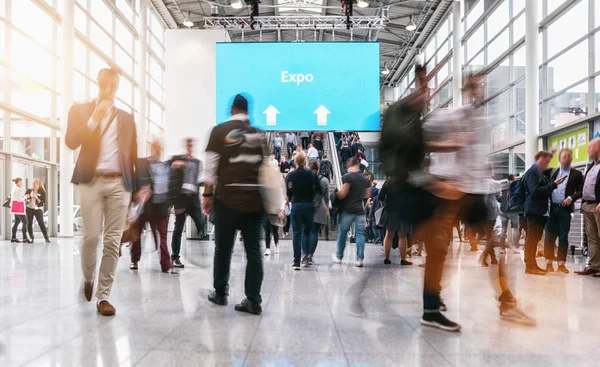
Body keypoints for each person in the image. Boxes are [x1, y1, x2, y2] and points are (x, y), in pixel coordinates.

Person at [65, 68, 138, 316]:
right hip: (91, 180)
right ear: (97, 82)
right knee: (90, 237)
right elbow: (71, 141)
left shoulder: (127, 118)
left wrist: (135, 190)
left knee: (111, 241)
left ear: (117, 87)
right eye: (105, 83)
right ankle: (88, 278)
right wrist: (94, 118)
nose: (108, 88)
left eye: (113, 85)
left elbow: (132, 157)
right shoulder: (80, 110)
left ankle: (104, 296)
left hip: (119, 183)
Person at [203, 94, 268, 315]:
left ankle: (220, 293)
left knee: (223, 249)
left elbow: (210, 168)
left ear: (232, 109)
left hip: (226, 199)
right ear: (247, 111)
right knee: (254, 252)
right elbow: (266, 169)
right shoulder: (259, 135)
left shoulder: (219, 131)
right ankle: (253, 300)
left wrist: (207, 196)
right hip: (254, 201)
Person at [129, 140, 172, 273]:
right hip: (144, 207)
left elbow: (168, 187)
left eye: (159, 147)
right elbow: (134, 180)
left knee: (163, 236)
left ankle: (165, 263)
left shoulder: (164, 166)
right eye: (155, 147)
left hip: (160, 208)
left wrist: (169, 205)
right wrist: (135, 197)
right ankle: (135, 260)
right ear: (151, 148)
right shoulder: (142, 163)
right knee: (136, 235)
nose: (157, 150)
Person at [521, 151, 566, 276]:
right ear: (540, 158)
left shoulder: (540, 173)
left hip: (540, 211)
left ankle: (533, 264)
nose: (548, 164)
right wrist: (554, 185)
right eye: (547, 161)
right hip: (533, 211)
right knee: (531, 239)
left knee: (534, 239)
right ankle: (529, 266)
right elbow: (535, 191)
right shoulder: (533, 172)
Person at [543, 149, 583, 274]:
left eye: (569, 156)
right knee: (549, 236)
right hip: (551, 208)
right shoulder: (551, 172)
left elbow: (581, 190)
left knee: (563, 236)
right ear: (559, 159)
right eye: (564, 156)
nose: (567, 158)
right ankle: (548, 262)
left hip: (565, 209)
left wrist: (571, 198)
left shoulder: (577, 174)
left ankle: (561, 264)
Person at [168, 138, 204, 269]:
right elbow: (170, 174)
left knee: (201, 223)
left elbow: (200, 179)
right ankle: (175, 256)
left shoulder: (198, 162)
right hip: (182, 198)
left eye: (192, 145)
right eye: (188, 145)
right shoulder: (178, 159)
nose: (190, 147)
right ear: (186, 146)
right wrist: (175, 165)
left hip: (193, 198)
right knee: (178, 227)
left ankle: (212, 253)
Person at [332, 157, 370, 267]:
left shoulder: (347, 177)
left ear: (350, 165)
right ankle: (359, 259)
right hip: (359, 210)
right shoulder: (364, 179)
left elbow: (343, 193)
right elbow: (367, 194)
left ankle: (339, 257)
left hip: (348, 210)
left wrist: (337, 194)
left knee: (342, 234)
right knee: (360, 235)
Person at [286, 152, 320, 269]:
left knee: (296, 234)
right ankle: (306, 256)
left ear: (295, 161)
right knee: (307, 232)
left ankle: (296, 261)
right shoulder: (311, 174)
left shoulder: (291, 176)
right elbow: (318, 190)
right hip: (309, 206)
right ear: (305, 161)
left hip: (296, 205)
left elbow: (289, 192)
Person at [576, 139, 600, 276]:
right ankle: (594, 265)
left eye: (590, 147)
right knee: (592, 237)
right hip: (588, 206)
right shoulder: (592, 165)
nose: (587, 150)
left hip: (598, 205)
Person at [379, 178, 413, 265]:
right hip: (403, 212)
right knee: (402, 236)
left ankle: (386, 258)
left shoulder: (388, 182)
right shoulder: (407, 181)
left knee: (389, 234)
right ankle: (403, 259)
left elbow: (380, 197)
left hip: (390, 211)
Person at [309, 161, 330, 265]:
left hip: (307, 206)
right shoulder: (325, 180)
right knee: (314, 232)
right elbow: (327, 198)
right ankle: (310, 255)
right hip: (320, 207)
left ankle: (304, 253)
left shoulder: (307, 178)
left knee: (306, 232)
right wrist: (327, 210)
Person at [499, 175, 520, 252]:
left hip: (503, 210)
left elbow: (499, 198)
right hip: (513, 210)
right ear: (513, 179)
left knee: (503, 229)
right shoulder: (516, 186)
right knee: (515, 228)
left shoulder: (503, 187)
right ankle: (516, 247)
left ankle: (502, 248)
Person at [25, 178, 50, 243]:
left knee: (41, 223)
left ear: (38, 184)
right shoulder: (29, 190)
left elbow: (43, 201)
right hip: (29, 208)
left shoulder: (42, 191)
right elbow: (25, 199)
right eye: (33, 184)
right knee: (29, 223)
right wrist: (28, 199)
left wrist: (37, 199)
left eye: (35, 184)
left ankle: (46, 237)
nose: (33, 185)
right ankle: (31, 237)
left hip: (38, 209)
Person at [10, 177, 30, 244]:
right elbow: (19, 199)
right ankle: (25, 238)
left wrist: (24, 197)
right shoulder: (18, 189)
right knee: (25, 222)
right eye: (21, 181)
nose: (22, 183)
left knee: (16, 222)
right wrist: (26, 197)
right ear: (18, 182)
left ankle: (13, 238)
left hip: (15, 208)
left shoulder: (14, 188)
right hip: (19, 208)